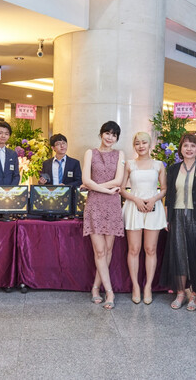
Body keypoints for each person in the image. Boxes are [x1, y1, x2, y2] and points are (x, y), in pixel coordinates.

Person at [160, 133, 196, 311]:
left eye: (193, 146)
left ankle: (195, 294)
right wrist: (167, 217)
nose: (189, 149)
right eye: (185, 145)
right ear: (180, 149)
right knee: (178, 254)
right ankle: (180, 293)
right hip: (177, 215)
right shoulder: (173, 169)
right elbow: (169, 195)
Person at [120, 132, 167, 305]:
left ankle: (148, 287)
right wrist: (136, 200)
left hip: (153, 208)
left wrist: (153, 199)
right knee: (134, 249)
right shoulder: (129, 164)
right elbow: (122, 189)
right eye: (137, 143)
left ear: (150, 144)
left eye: (144, 143)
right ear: (134, 145)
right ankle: (135, 286)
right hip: (134, 206)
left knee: (150, 249)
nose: (141, 146)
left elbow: (164, 189)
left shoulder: (158, 164)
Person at [82, 121, 125, 310]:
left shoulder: (120, 154)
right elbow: (85, 180)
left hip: (112, 206)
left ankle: (95, 287)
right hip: (95, 205)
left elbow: (118, 180)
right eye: (107, 133)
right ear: (101, 134)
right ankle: (109, 292)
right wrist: (106, 190)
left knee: (108, 251)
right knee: (99, 251)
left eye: (114, 135)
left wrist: (94, 186)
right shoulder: (90, 153)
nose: (110, 137)